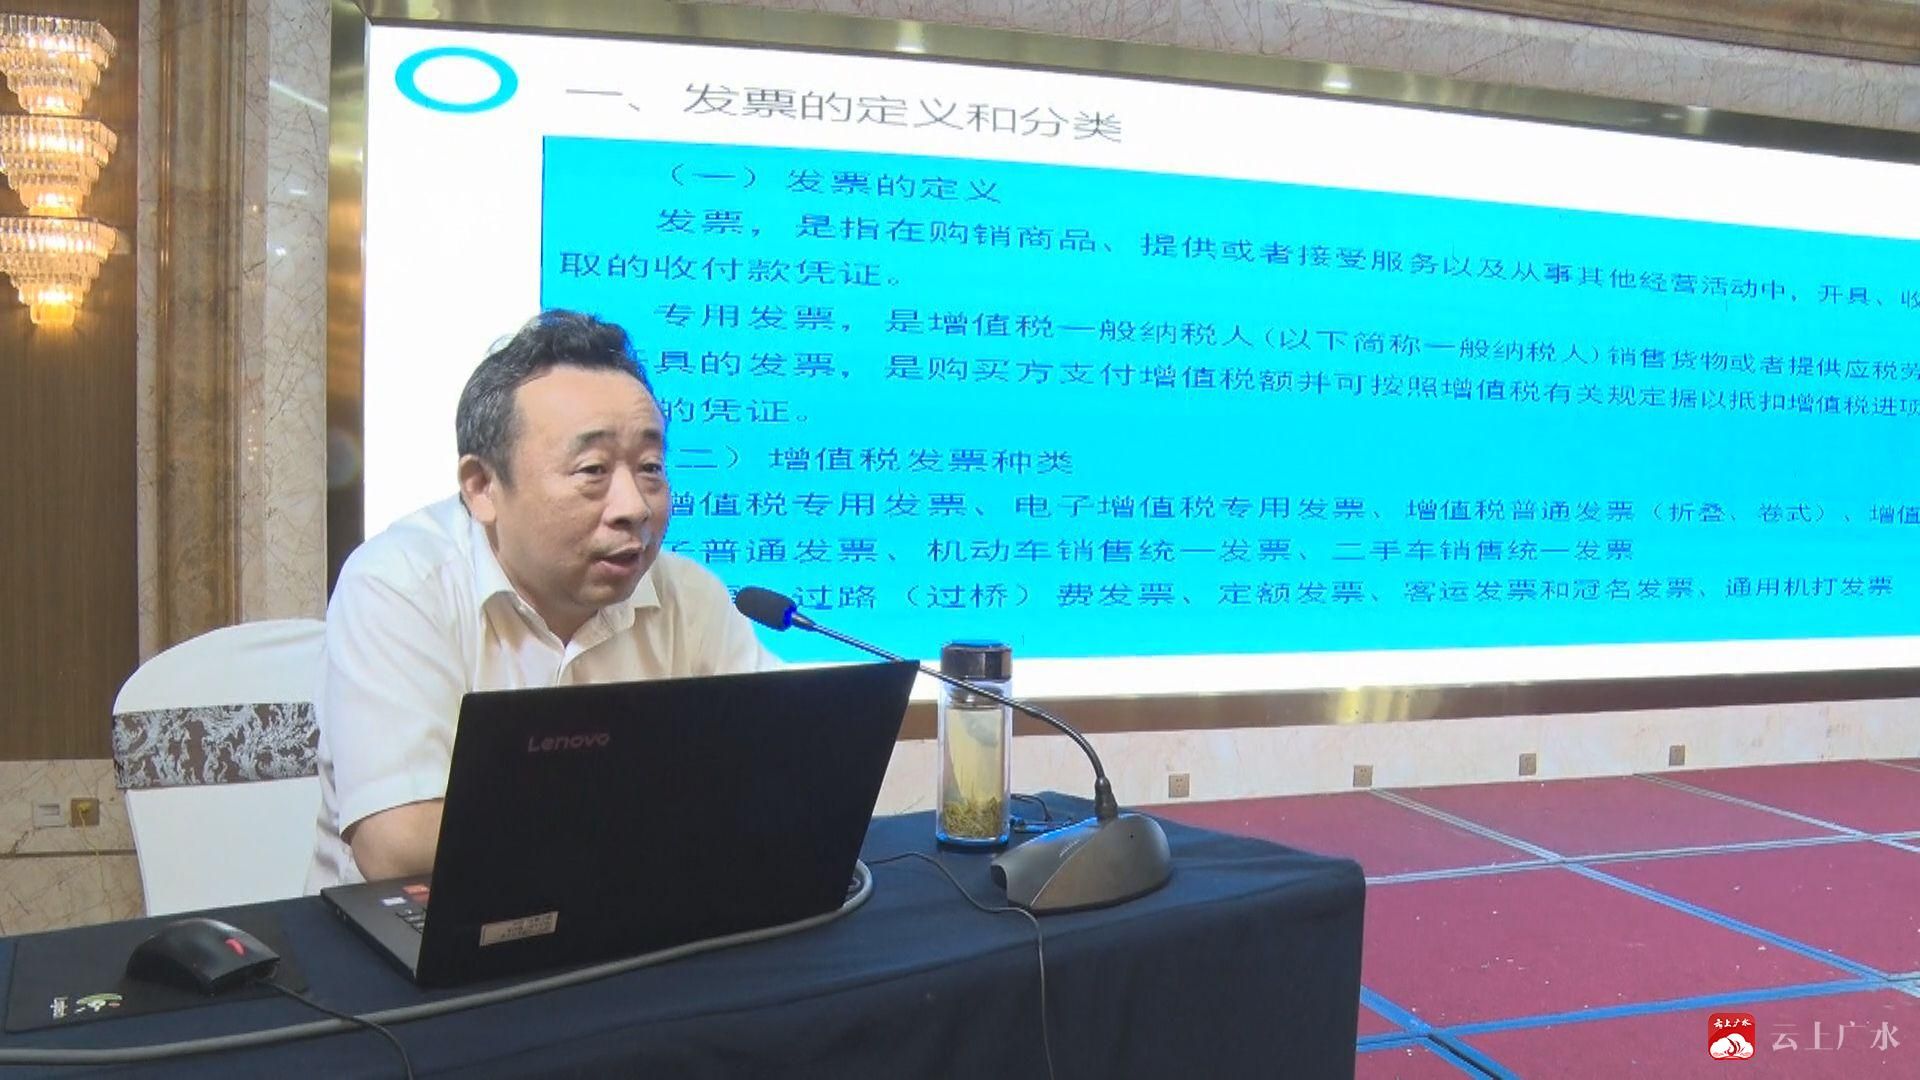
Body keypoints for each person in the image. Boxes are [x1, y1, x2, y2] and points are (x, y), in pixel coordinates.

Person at [307, 310, 777, 890]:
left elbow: (785, 761)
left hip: (629, 911)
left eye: (650, 468)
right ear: (482, 486)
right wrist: (665, 804)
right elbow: (399, 845)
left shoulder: (689, 595)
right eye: (593, 469)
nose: (634, 506)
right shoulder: (398, 584)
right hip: (426, 927)